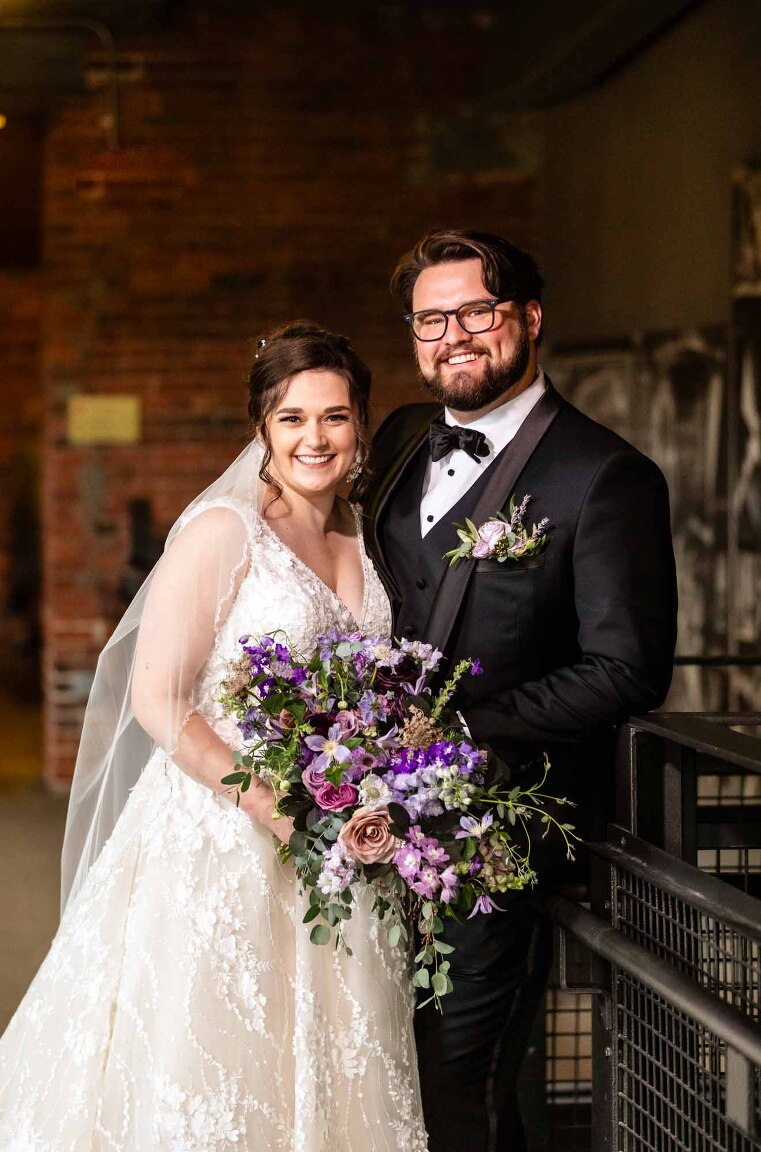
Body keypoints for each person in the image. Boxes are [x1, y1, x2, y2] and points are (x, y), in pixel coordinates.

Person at [0, 322, 429, 1152]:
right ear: (262, 427)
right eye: (293, 418)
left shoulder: (366, 539)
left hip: (343, 841)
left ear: (361, 427)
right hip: (222, 835)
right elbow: (158, 698)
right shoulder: (224, 532)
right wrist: (269, 803)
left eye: (336, 417)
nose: (316, 438)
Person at [362, 229, 678, 1152]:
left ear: (529, 318)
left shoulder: (606, 476)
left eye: (477, 311)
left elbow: (627, 670)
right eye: (431, 319)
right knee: (370, 1052)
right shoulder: (397, 441)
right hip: (362, 822)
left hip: (494, 833)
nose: (453, 335)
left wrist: (455, 730)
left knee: (459, 1070)